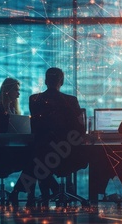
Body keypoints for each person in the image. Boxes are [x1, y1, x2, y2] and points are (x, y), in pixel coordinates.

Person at [28, 67, 87, 204]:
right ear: (62, 81)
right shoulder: (71, 101)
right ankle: (57, 191)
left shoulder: (34, 99)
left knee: (37, 157)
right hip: (67, 153)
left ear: (45, 81)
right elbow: (79, 129)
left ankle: (46, 195)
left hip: (43, 153)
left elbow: (36, 128)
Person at [0, 77, 34, 206]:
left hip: (13, 150)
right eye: (16, 90)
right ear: (8, 91)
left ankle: (21, 193)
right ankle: (22, 193)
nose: (19, 94)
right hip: (1, 153)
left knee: (34, 157)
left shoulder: (16, 111)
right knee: (33, 159)